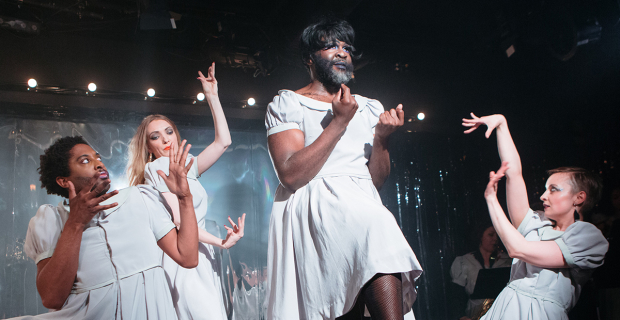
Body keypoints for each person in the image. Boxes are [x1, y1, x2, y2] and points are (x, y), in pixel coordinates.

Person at [264, 17, 423, 320]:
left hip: (361, 202)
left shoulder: (369, 107)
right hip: (316, 204)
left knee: (377, 229)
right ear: (309, 58)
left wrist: (382, 139)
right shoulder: (289, 103)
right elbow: (291, 174)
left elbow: (374, 180)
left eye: (347, 48)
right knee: (377, 227)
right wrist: (339, 121)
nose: (342, 53)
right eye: (331, 46)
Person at [19, 135, 198, 319]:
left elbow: (188, 257)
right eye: (86, 160)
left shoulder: (141, 198)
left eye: (98, 158)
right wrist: (76, 223)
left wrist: (185, 197)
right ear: (64, 181)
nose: (98, 164)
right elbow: (52, 298)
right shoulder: (52, 220)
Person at [127, 63, 245, 320]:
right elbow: (180, 221)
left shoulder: (187, 167)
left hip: (202, 256)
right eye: (155, 137)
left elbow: (223, 141)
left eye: (169, 132)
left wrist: (212, 96)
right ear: (148, 147)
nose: (166, 139)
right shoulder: (157, 167)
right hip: (186, 258)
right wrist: (220, 242)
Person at [462, 113, 609, 320]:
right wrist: (502, 125)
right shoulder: (535, 223)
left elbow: (518, 249)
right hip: (505, 309)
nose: (542, 196)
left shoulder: (588, 237)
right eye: (545, 189)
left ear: (579, 198)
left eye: (554, 189)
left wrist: (492, 201)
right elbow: (514, 174)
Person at [450, 224, 512, 319]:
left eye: (497, 235)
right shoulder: (465, 261)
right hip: (475, 313)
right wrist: (462, 316)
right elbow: (457, 294)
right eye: (491, 235)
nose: (495, 239)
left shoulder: (507, 260)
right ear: (480, 236)